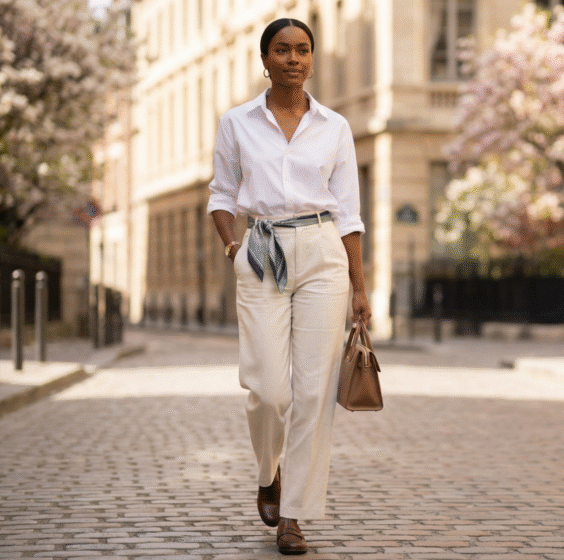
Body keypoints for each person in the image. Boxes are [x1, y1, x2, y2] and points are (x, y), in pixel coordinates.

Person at [207, 17, 370, 556]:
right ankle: (268, 473)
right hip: (261, 250)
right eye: (282, 50)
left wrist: (360, 287)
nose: (293, 59)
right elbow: (222, 194)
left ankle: (294, 515)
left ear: (312, 59)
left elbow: (348, 213)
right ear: (265, 59)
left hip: (322, 252)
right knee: (269, 390)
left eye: (302, 49)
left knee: (313, 392)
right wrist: (233, 248)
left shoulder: (334, 127)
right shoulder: (237, 122)